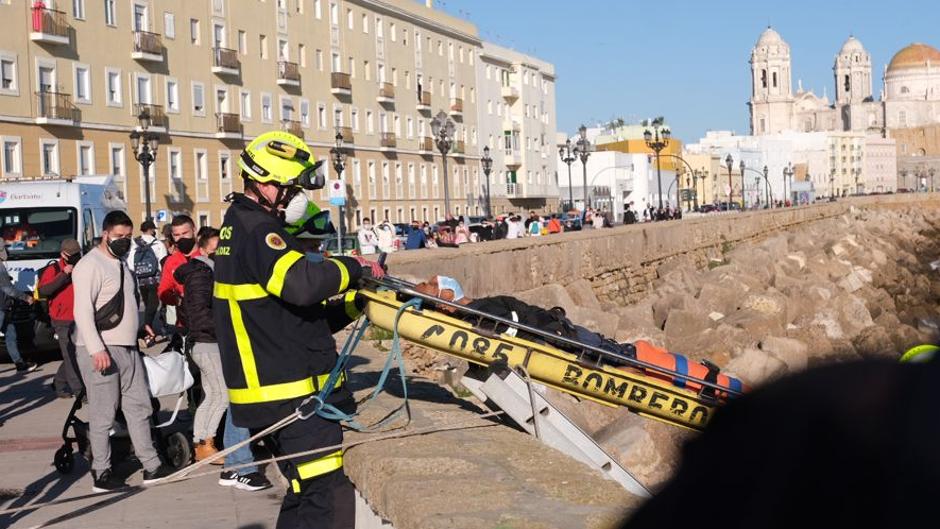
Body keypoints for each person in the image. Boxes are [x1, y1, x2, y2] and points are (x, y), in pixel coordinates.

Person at [214, 131, 384, 528]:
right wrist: (351, 267)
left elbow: (291, 318)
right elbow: (301, 284)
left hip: (281, 392)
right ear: (264, 184)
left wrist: (354, 303)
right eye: (290, 189)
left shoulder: (241, 225)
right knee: (326, 499)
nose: (295, 199)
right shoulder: (257, 230)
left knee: (304, 492)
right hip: (288, 395)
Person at [73, 211, 173, 492]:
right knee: (103, 414)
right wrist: (96, 349)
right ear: (105, 234)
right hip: (101, 349)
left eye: (128, 237)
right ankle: (101, 471)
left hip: (127, 348)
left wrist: (140, 328)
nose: (124, 242)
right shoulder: (89, 265)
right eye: (119, 237)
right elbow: (81, 312)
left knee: (139, 406)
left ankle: (152, 465)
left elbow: (124, 304)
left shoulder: (120, 264)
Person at [174, 228, 273, 490]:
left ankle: (203, 443)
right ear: (205, 249)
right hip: (207, 342)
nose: (221, 254)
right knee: (223, 395)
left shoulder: (206, 271)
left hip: (207, 341)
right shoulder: (201, 274)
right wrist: (227, 329)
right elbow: (199, 313)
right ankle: (204, 443)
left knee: (213, 394)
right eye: (217, 249)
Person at [39, 239, 83, 397]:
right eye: (72, 255)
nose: (76, 257)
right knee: (70, 354)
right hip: (62, 318)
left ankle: (59, 382)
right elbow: (44, 290)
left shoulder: (82, 266)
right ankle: (79, 391)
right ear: (63, 254)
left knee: (75, 353)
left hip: (80, 316)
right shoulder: (54, 269)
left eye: (77, 254)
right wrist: (64, 275)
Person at [0, 244, 36, 372]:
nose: (7, 253)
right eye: (5, 249)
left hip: (4, 307)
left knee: (10, 334)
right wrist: (26, 298)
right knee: (10, 334)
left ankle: (19, 363)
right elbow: (8, 290)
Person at [128, 220, 167, 336]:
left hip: (140, 279)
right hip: (155, 278)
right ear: (151, 230)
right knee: (153, 304)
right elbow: (163, 261)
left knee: (147, 303)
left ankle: (146, 326)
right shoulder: (158, 244)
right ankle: (147, 326)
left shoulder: (133, 243)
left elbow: (130, 262)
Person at [158, 215, 198, 325]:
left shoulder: (206, 255)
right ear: (172, 235)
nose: (181, 238)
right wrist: (178, 300)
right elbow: (163, 290)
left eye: (185, 233)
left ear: (194, 230)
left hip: (210, 320)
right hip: (184, 320)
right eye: (177, 235)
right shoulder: (171, 261)